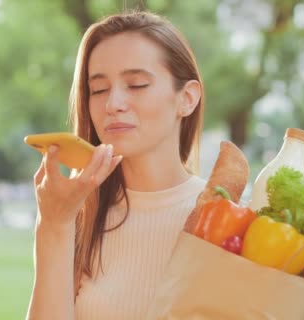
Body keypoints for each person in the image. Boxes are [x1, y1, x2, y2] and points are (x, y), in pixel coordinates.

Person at [27, 11, 206, 320]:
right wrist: (53, 225)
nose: (113, 104)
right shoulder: (75, 219)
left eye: (136, 85)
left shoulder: (229, 218)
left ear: (187, 98)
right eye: (98, 90)